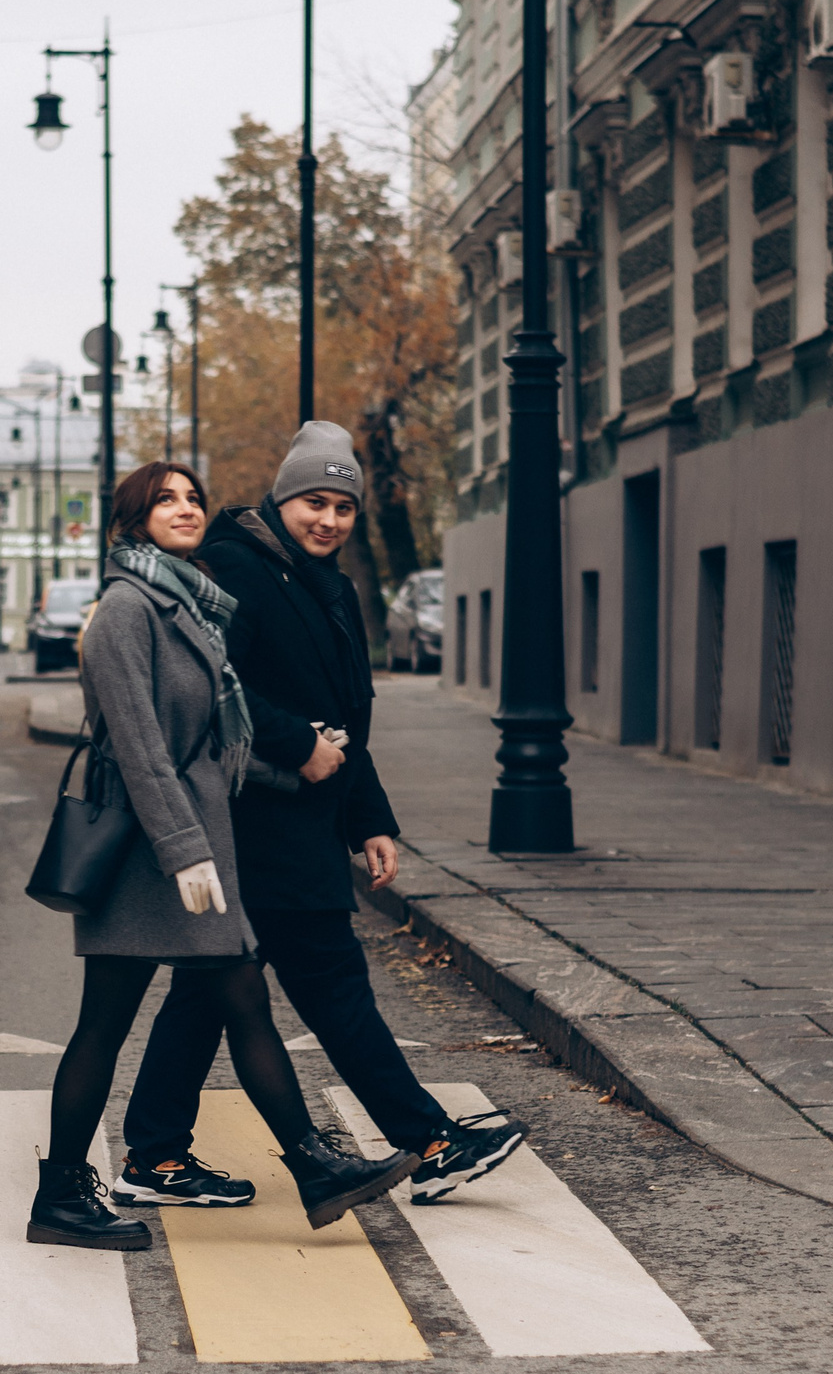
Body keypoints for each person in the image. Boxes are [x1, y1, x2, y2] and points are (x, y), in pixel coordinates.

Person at [115, 421, 529, 1211]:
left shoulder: (328, 584)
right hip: (254, 821)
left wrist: (369, 818)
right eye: (315, 501)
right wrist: (296, 740)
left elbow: (347, 713)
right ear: (283, 496)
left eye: (343, 507)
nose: (329, 520)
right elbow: (215, 682)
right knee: (328, 985)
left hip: (302, 821)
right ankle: (429, 1140)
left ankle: (155, 1154)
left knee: (210, 995)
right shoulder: (235, 568)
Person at [30, 460, 418, 1252]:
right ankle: (63, 1195)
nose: (185, 508)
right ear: (131, 521)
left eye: (193, 497)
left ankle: (312, 1167)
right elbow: (139, 750)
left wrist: (298, 763)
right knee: (103, 1027)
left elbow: (212, 742)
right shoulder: (124, 612)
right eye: (164, 499)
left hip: (191, 855)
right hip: (151, 861)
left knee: (242, 1001)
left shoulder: (191, 608)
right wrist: (182, 852)